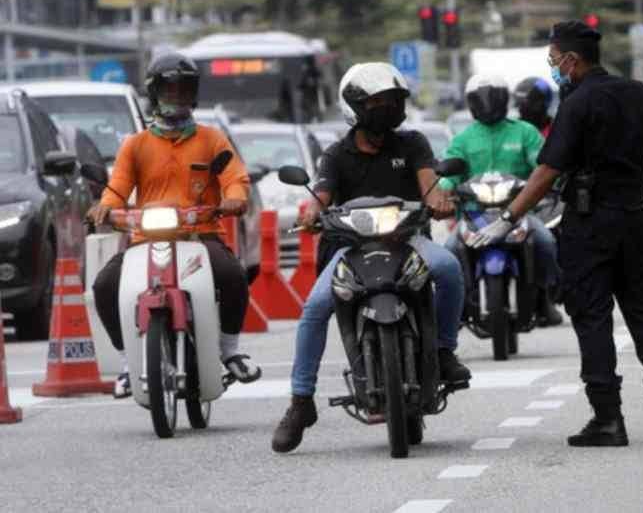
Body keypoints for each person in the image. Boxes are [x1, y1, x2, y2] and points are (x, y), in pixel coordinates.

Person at [470, 20, 643, 447]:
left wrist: (508, 217)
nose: (553, 67)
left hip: (589, 227)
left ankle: (608, 421)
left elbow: (547, 172)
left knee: (593, 321)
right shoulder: (638, 93)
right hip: (634, 220)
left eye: (554, 60)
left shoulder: (576, 104)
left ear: (572, 60)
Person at [271, 62, 470, 454]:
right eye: (378, 102)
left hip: (408, 241)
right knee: (313, 308)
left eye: (393, 101)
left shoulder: (413, 144)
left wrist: (441, 202)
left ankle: (445, 351)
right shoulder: (335, 155)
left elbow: (429, 188)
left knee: (448, 267)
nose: (387, 108)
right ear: (356, 107)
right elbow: (320, 197)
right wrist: (310, 213)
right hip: (351, 248)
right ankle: (300, 401)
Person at [87, 54, 261, 399]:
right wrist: (104, 208)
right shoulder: (134, 145)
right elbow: (117, 187)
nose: (177, 96)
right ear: (154, 93)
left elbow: (235, 178)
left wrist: (236, 197)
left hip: (202, 236)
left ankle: (230, 351)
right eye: (169, 89)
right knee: (104, 285)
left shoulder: (212, 139)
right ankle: (127, 363)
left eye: (184, 90)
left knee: (232, 275)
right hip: (145, 239)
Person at [441, 73, 563, 327]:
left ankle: (544, 298)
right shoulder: (463, 139)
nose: (486, 104)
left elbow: (542, 164)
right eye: (480, 99)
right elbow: (448, 177)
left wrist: (556, 180)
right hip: (474, 214)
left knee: (546, 242)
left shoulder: (524, 133)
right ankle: (458, 308)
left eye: (492, 97)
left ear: (503, 98)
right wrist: (440, 191)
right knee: (448, 254)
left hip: (519, 211)